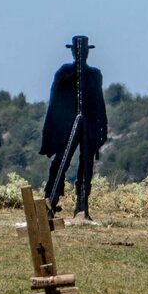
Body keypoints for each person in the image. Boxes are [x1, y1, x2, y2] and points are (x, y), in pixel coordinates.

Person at [40, 35, 108, 220]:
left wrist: (102, 128)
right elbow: (55, 102)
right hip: (67, 126)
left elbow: (99, 102)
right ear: (72, 51)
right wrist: (52, 130)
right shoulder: (64, 72)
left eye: (83, 50)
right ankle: (50, 202)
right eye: (78, 50)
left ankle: (82, 206)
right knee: (60, 163)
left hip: (89, 125)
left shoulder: (95, 75)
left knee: (86, 165)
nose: (81, 54)